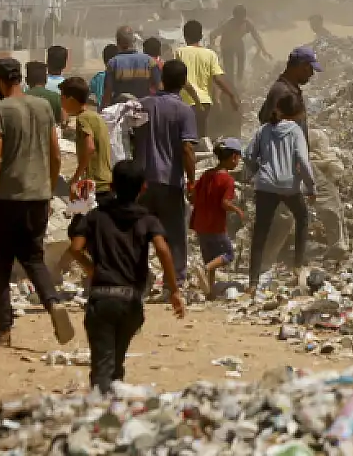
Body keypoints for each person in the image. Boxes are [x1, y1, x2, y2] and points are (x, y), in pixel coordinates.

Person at [0, 56, 74, 347]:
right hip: (39, 196)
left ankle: (4, 329)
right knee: (33, 257)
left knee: (0, 264)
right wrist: (48, 186)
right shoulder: (44, 106)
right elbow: (56, 154)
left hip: (8, 198)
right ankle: (53, 302)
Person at [64, 159, 184, 393]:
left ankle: (101, 411)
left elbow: (75, 248)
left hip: (101, 299)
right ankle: (112, 408)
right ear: (143, 188)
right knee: (116, 364)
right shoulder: (147, 220)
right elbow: (162, 249)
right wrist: (174, 290)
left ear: (111, 186)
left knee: (102, 366)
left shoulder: (96, 217)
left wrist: (92, 270)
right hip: (130, 303)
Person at [135, 59, 199, 292]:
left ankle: (140, 281)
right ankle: (175, 281)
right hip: (170, 182)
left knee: (141, 234)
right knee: (174, 234)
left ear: (163, 80)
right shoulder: (184, 110)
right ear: (183, 82)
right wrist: (192, 181)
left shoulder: (142, 105)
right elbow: (187, 149)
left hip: (141, 182)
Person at [245, 91, 316, 291]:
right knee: (302, 218)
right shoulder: (295, 131)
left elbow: (248, 155)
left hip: (265, 185)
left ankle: (252, 283)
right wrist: (311, 187)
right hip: (289, 186)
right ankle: (298, 266)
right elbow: (303, 161)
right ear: (295, 112)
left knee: (260, 233)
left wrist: (256, 170)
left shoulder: (263, 130)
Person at [191, 139, 245, 298]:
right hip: (216, 225)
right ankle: (204, 269)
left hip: (200, 224)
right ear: (234, 157)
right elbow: (225, 203)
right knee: (228, 255)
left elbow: (193, 196)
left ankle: (210, 293)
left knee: (211, 258)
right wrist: (237, 210)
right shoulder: (227, 179)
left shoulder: (207, 174)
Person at [176, 20, 239, 142]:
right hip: (204, 103)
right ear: (201, 36)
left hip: (184, 102)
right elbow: (218, 79)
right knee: (201, 135)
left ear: (185, 36)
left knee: (185, 137)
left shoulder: (180, 52)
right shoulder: (210, 54)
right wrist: (231, 96)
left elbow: (175, 75)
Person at [62, 77, 113, 203]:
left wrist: (75, 178)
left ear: (71, 100)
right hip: (105, 181)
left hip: (94, 184)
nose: (61, 103)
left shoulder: (83, 118)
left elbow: (89, 148)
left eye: (62, 98)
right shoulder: (95, 116)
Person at [259, 47, 321, 146]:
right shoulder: (282, 92)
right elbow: (267, 125)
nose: (312, 74)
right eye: (310, 69)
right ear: (301, 66)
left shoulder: (290, 89)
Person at [211, 6, 269, 91]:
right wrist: (214, 48)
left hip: (238, 43)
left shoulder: (247, 23)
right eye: (238, 18)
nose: (240, 21)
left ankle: (239, 82)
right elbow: (213, 34)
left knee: (241, 64)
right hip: (226, 45)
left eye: (242, 18)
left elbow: (256, 36)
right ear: (234, 17)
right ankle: (231, 86)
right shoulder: (228, 24)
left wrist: (264, 50)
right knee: (229, 69)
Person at [105, 26, 160, 107]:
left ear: (117, 42)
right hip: (145, 109)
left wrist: (103, 111)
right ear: (134, 40)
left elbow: (108, 93)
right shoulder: (149, 61)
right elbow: (159, 87)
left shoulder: (113, 63)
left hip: (121, 112)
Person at [25, 60, 64, 126]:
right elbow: (62, 120)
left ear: (26, 80)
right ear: (46, 80)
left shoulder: (21, 98)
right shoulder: (56, 97)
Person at [88, 42, 119, 108]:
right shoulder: (121, 77)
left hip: (102, 113)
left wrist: (95, 104)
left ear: (104, 60)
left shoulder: (98, 78)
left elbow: (83, 95)